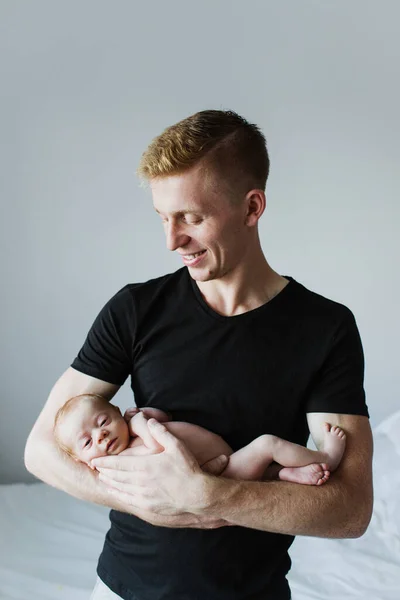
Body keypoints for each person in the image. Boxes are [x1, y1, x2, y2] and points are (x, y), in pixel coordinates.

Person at [24, 109, 373, 600]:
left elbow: (351, 510)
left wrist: (209, 497)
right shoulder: (136, 308)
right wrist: (149, 503)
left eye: (192, 217)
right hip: (121, 587)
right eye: (163, 219)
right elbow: (40, 451)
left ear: (252, 208)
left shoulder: (326, 328)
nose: (172, 241)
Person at [53, 393, 347, 484]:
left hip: (227, 459)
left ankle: (284, 473)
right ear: (84, 462)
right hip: (225, 474)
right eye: (88, 443)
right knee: (267, 444)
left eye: (103, 421)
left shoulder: (129, 431)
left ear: (117, 411)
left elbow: (165, 418)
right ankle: (327, 457)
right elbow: (162, 447)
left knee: (266, 463)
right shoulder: (124, 460)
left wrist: (145, 414)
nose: (100, 435)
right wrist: (141, 423)